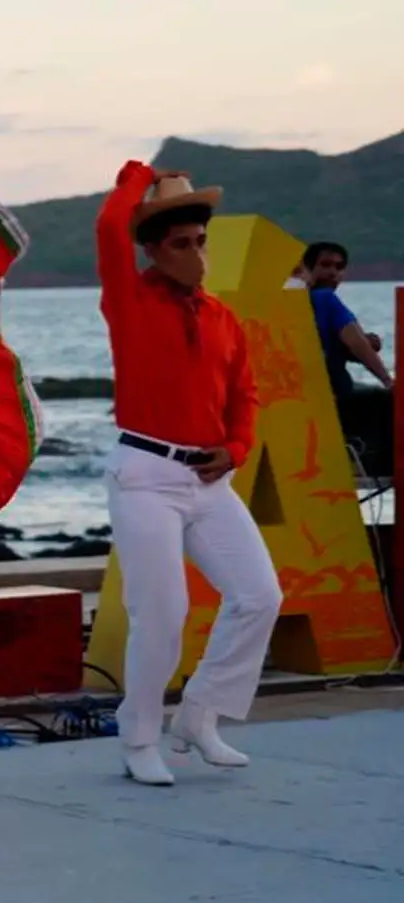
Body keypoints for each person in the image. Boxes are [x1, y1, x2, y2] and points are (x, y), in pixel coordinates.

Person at [95, 162, 282, 787]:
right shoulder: (127, 299)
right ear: (152, 250)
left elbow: (245, 395)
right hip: (145, 473)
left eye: (201, 241)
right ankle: (139, 736)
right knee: (163, 612)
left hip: (208, 479)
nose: (196, 254)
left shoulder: (223, 318)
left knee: (260, 596)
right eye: (181, 243)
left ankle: (200, 715)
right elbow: (107, 228)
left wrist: (236, 447)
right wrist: (134, 182)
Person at [302, 240, 393, 477]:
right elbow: (356, 343)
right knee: (384, 399)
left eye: (339, 267)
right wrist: (386, 379)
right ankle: (370, 458)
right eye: (325, 265)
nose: (332, 272)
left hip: (308, 396)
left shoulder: (296, 301)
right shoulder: (325, 299)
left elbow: (330, 346)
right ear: (308, 268)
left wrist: (361, 344)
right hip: (333, 395)